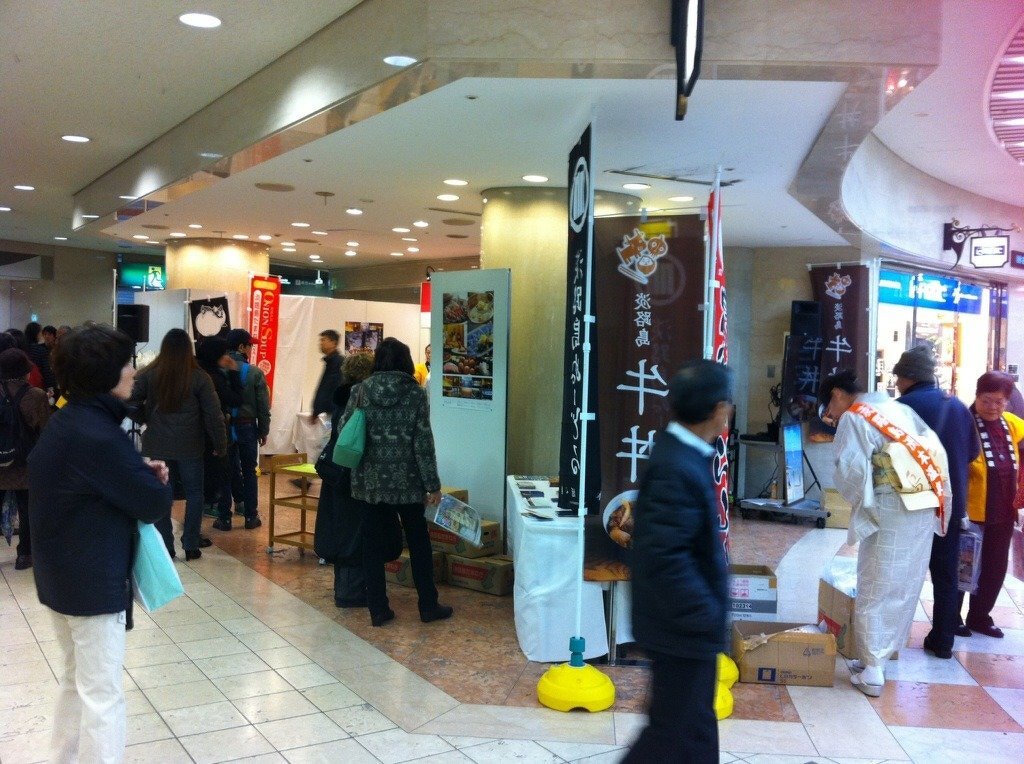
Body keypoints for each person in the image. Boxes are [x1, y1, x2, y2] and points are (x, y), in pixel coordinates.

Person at [28, 323, 171, 762]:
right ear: (106, 374)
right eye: (127, 363)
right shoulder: (98, 434)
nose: (133, 372)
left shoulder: (68, 420)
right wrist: (154, 481)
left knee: (76, 681)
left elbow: (94, 484)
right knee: (103, 694)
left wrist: (134, 472)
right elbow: (150, 504)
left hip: (61, 575)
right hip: (91, 580)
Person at [624, 359, 732, 764]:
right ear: (718, 409)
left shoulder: (684, 454)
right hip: (681, 628)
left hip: (684, 626)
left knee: (692, 730)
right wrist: (705, 614)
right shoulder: (676, 466)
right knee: (673, 733)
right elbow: (665, 557)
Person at [819, 370, 950, 697]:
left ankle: (873, 668)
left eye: (828, 407)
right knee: (904, 581)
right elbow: (936, 453)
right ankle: (881, 655)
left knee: (876, 580)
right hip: (923, 501)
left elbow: (851, 472)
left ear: (837, 395)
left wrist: (863, 504)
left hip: (889, 505)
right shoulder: (899, 409)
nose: (830, 416)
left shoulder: (854, 417)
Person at [339, 337, 451, 627]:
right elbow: (423, 443)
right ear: (404, 360)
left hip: (369, 482)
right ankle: (428, 605)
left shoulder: (360, 391)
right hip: (408, 483)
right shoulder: (415, 394)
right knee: (418, 543)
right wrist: (432, 484)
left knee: (371, 546)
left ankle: (378, 609)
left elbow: (344, 429)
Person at [892, 344, 978, 658]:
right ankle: (943, 640)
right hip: (951, 504)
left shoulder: (899, 408)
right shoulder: (956, 406)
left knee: (901, 569)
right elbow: (971, 454)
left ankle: (893, 639)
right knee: (945, 573)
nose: (897, 383)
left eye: (898, 377)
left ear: (907, 377)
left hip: (911, 503)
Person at [130, 328, 226, 559]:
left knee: (164, 493)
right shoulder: (199, 377)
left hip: (158, 444)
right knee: (195, 493)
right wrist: (220, 443)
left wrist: (145, 419)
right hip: (190, 445)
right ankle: (191, 544)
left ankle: (166, 546)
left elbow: (130, 401)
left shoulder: (149, 374)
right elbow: (214, 414)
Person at [959, 371, 1024, 638]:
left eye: (1000, 402)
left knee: (996, 568)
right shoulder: (964, 422)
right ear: (977, 396)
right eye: (987, 400)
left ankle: (980, 617)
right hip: (971, 511)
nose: (993, 407)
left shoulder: (1011, 423)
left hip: (1003, 511)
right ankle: (952, 618)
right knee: (964, 566)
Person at [320, 350, 375, 607]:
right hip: (353, 473)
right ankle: (351, 592)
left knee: (341, 528)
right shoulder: (363, 400)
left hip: (335, 471)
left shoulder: (339, 397)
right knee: (356, 531)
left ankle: (343, 587)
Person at [0, 349, 51, 569]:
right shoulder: (36, 396)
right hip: (25, 463)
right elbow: (46, 433)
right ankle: (25, 555)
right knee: (27, 508)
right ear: (24, 372)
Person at [222, 329, 270, 529]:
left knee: (225, 471)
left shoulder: (219, 370)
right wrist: (263, 431)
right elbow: (262, 406)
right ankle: (251, 516)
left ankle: (224, 518)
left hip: (224, 427)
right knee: (249, 471)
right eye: (250, 345)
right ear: (242, 347)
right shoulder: (255, 373)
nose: (251, 349)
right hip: (247, 427)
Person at [196, 337, 244, 522]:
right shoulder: (213, 377)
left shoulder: (194, 372)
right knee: (222, 472)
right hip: (213, 432)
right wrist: (233, 373)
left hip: (194, 432)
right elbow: (235, 399)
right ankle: (216, 509)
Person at [310, 329, 343, 423]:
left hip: (333, 412)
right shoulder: (330, 362)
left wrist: (317, 410)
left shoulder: (337, 363)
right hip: (329, 412)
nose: (320, 343)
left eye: (323, 340)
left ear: (333, 343)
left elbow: (328, 388)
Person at [24, 321, 56, 393]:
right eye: (42, 333)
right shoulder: (41, 350)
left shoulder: (22, 348)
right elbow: (47, 372)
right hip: (38, 387)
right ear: (36, 334)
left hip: (24, 386)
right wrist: (51, 389)